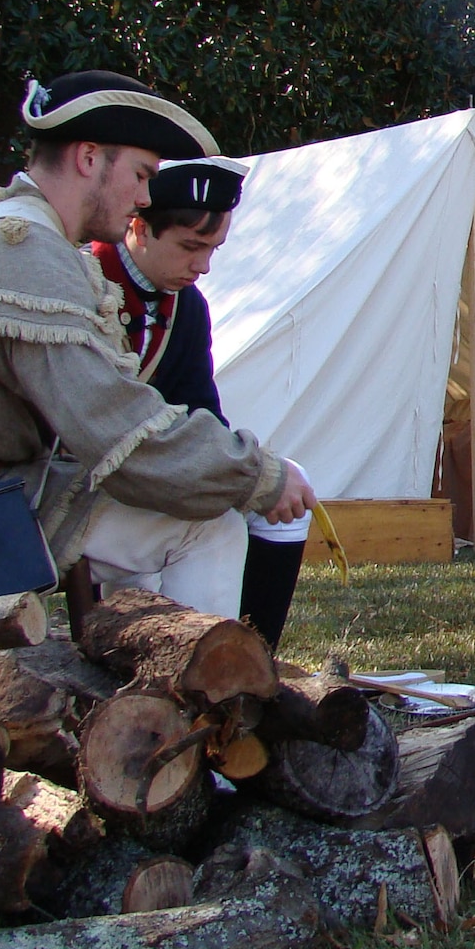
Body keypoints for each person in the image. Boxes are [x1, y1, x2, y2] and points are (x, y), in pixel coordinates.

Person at [0, 70, 315, 619]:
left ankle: (144, 681)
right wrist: (259, 475)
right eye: (142, 174)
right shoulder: (25, 252)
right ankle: (203, 703)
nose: (146, 195)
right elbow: (116, 430)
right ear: (89, 157)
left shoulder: (7, 231)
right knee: (208, 529)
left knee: (162, 513)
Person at [90, 156, 311, 646]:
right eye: (191, 246)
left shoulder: (186, 306)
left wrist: (242, 471)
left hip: (150, 470)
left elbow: (200, 414)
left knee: (291, 489)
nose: (203, 266)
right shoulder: (83, 284)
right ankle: (193, 674)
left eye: (213, 248)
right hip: (81, 486)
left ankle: (254, 658)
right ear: (139, 228)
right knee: (214, 528)